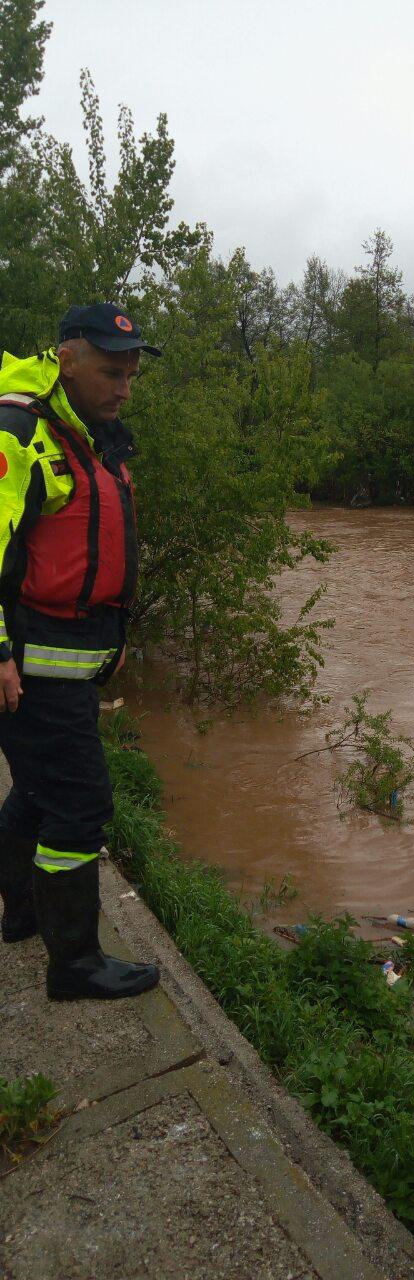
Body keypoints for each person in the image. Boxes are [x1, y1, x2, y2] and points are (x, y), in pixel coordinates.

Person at [0, 303, 161, 1001]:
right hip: (29, 664)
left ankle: (22, 913)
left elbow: (91, 552)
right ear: (67, 359)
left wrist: (113, 642)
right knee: (80, 804)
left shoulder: (95, 436)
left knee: (38, 791)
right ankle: (75, 964)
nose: (123, 387)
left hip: (68, 658)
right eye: (109, 371)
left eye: (130, 373)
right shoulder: (24, 432)